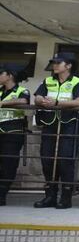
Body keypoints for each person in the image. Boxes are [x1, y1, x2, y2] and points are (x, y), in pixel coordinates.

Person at [33, 52, 79, 209]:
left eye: (58, 62)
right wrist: (42, 100)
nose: (55, 65)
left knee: (65, 161)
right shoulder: (48, 80)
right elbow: (37, 97)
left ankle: (66, 197)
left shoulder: (76, 81)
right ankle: (50, 196)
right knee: (47, 160)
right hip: (50, 123)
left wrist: (57, 103)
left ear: (68, 65)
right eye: (54, 62)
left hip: (68, 124)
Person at [0, 64, 30, 206]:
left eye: (1, 73)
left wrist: (3, 103)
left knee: (8, 164)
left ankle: (2, 194)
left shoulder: (22, 91)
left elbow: (23, 101)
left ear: (10, 76)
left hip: (12, 132)